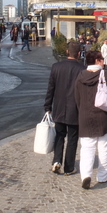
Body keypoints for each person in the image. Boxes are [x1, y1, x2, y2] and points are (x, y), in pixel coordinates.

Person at [74, 50, 107, 189]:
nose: (103, 61)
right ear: (97, 61)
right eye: (102, 59)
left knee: (87, 148)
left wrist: (81, 111)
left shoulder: (80, 76)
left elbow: (76, 98)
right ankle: (103, 176)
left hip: (85, 116)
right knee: (104, 148)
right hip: (104, 117)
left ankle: (86, 175)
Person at [44, 41, 86, 175]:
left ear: (67, 52)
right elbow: (84, 92)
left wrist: (47, 106)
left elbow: (51, 88)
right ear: (79, 54)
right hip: (75, 109)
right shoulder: (82, 69)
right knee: (72, 138)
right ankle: (69, 167)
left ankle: (57, 161)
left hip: (59, 108)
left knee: (59, 135)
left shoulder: (56, 67)